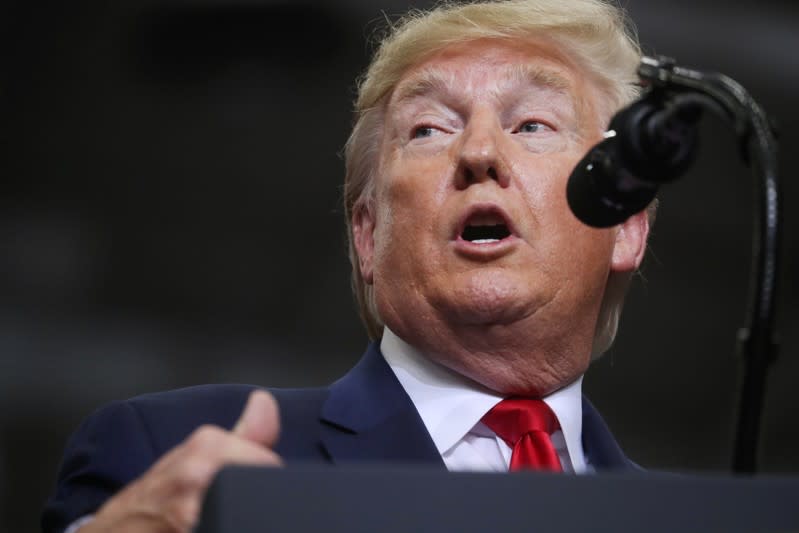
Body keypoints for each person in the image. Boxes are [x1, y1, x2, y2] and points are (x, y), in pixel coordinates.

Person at [43, 0, 654, 531]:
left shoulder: (695, 518)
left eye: (532, 124)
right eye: (429, 130)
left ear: (624, 225)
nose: (479, 151)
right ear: (367, 234)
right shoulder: (174, 455)